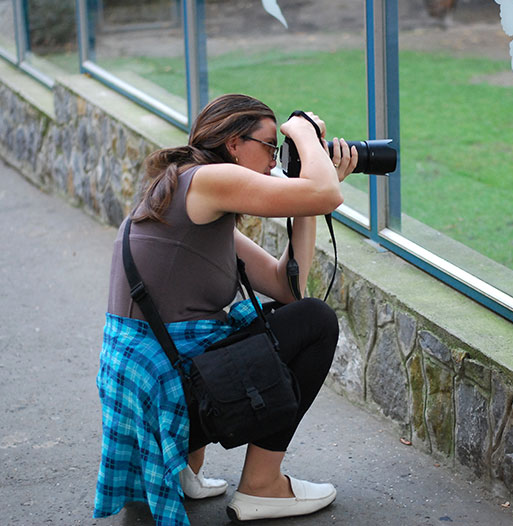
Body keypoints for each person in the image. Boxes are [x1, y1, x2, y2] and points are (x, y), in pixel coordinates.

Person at [93, 93, 358, 525]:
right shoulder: (206, 181)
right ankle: (262, 486)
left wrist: (306, 196)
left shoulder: (188, 195)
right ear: (234, 144)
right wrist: (305, 133)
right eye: (272, 147)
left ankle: (181, 469)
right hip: (163, 397)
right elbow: (325, 194)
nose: (275, 162)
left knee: (290, 315)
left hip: (154, 391)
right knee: (316, 322)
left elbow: (286, 286)